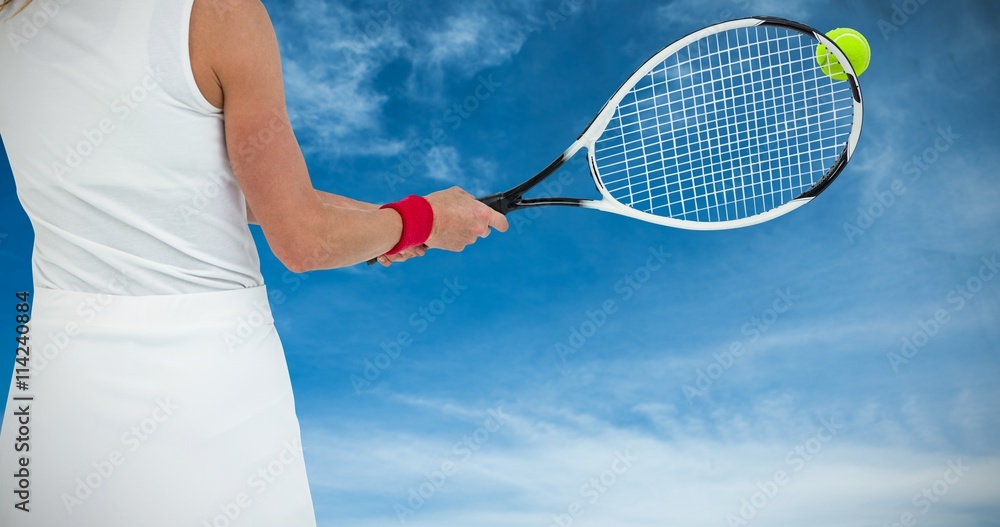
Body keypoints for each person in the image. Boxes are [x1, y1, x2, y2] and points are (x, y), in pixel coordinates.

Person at [0, 0, 507, 525]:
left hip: (53, 386)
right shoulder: (219, 13)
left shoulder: (12, 26)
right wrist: (425, 219)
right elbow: (303, 240)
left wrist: (383, 225)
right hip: (207, 381)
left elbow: (190, 189)